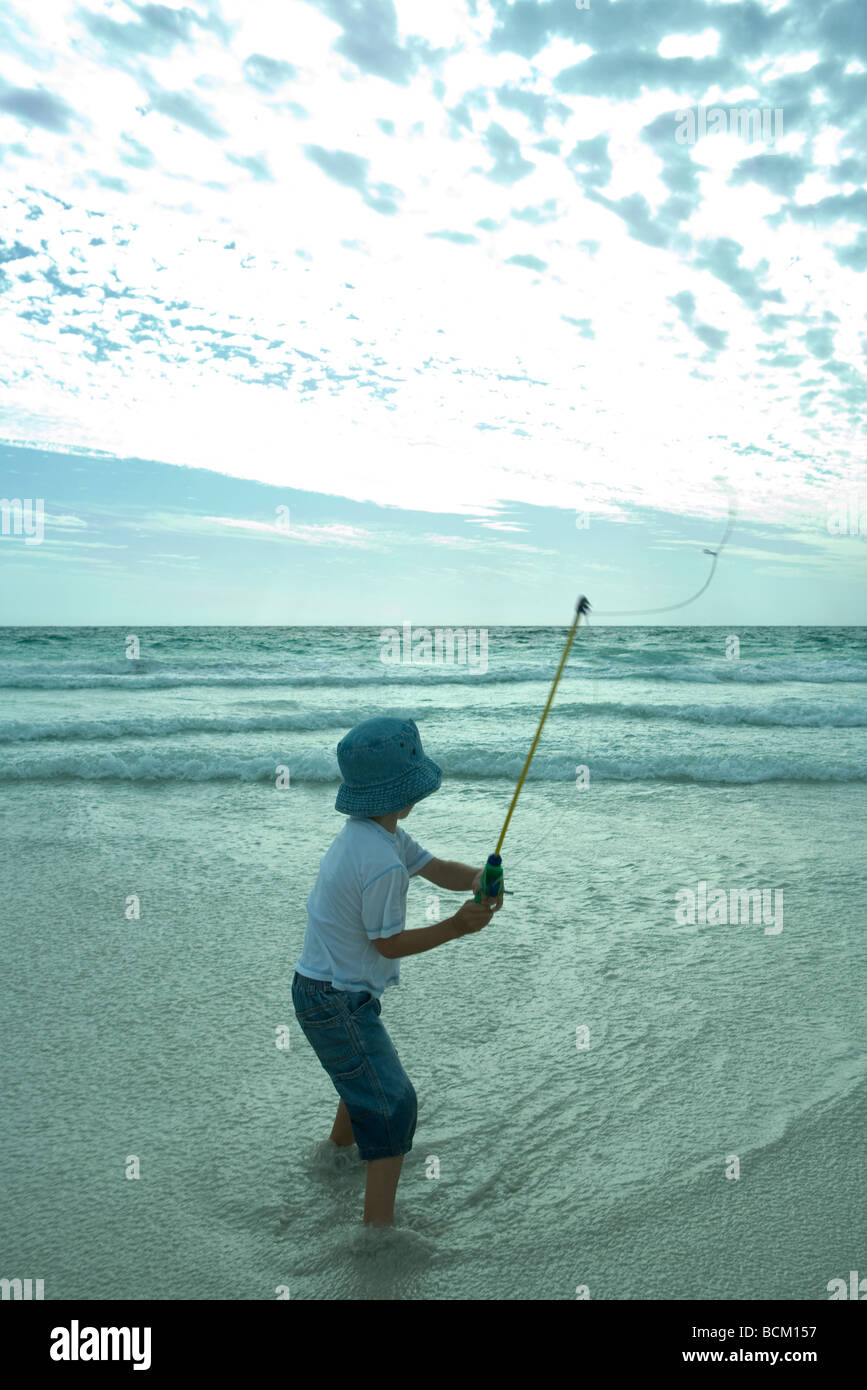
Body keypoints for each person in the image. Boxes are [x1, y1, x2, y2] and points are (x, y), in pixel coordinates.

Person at [292, 715, 503, 1226]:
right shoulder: (380, 863)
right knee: (392, 1103)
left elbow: (435, 868)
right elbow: (386, 945)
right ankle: (377, 1233)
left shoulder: (376, 833)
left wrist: (478, 877)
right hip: (334, 997)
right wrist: (457, 927)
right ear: (400, 791)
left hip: (325, 987)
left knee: (359, 1080)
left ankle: (335, 1157)